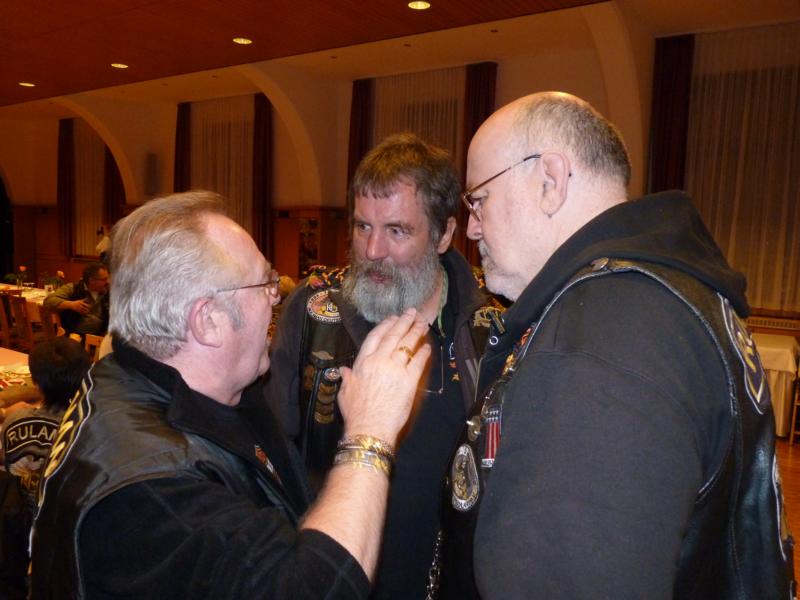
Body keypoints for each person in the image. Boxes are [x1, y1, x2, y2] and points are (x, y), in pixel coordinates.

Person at [437, 92, 794, 599]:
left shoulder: (600, 333)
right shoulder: (666, 296)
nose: (472, 227)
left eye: (478, 199)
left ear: (550, 180)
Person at [29, 191, 431, 598]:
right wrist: (369, 431)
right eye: (265, 283)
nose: (276, 297)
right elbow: (317, 589)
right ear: (207, 320)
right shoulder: (150, 491)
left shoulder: (156, 379)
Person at [265, 132, 501, 598]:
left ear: (444, 235)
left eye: (397, 231)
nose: (372, 251)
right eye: (361, 226)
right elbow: (271, 458)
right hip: (333, 577)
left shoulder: (490, 326)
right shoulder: (313, 311)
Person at [1, 337, 90, 599]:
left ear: (36, 383)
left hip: (19, 524)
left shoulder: (15, 420)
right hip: (63, 532)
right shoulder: (86, 429)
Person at [43, 263, 110, 336]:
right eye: (104, 279)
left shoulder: (107, 292)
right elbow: (48, 301)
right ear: (92, 280)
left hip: (99, 337)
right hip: (74, 336)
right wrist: (72, 305)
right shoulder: (73, 288)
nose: (108, 282)